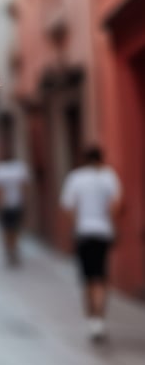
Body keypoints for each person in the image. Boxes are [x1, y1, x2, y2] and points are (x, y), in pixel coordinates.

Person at [60, 146, 123, 341]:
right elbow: (116, 205)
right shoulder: (109, 177)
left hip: (84, 232)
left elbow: (67, 206)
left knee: (88, 278)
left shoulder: (76, 177)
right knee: (101, 277)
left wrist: (77, 224)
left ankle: (92, 321)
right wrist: (112, 225)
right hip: (103, 232)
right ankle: (100, 320)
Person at [0, 151, 30, 265]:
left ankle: (10, 248)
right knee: (13, 228)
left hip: (6, 204)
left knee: (8, 228)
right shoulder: (19, 168)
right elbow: (24, 187)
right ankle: (12, 248)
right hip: (13, 204)